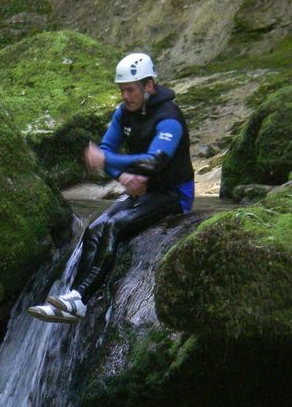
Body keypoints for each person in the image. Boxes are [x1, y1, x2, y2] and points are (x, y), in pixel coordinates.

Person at [28, 52, 194, 323]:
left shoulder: (169, 118)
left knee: (115, 227)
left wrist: (110, 162)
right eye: (121, 90)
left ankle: (80, 299)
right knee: (94, 228)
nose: (124, 96)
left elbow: (155, 161)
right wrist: (124, 176)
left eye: (130, 90)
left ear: (148, 86)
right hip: (143, 189)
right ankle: (72, 299)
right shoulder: (124, 113)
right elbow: (106, 148)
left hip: (173, 194)